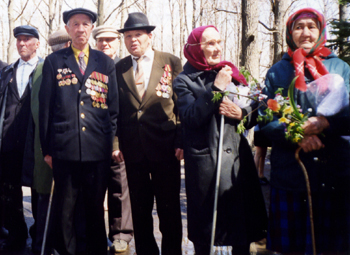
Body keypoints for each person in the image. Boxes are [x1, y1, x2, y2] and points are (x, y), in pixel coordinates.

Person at [261, 8, 350, 255]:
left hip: (332, 175)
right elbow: (265, 119)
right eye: (299, 27)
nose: (306, 33)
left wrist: (324, 124)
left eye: (311, 26)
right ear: (290, 33)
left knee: (331, 248)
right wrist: (297, 133)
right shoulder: (278, 71)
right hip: (291, 173)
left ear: (321, 31)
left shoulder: (340, 68)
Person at [173, 25, 267, 255]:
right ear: (196, 48)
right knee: (206, 230)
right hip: (207, 162)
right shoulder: (184, 80)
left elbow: (256, 109)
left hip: (237, 160)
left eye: (219, 42)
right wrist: (216, 88)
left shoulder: (231, 72)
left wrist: (243, 113)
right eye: (209, 44)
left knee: (241, 229)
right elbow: (190, 117)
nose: (216, 48)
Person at [39, 8, 118, 255]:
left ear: (92, 28)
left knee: (95, 208)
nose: (81, 29)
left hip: (97, 150)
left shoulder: (104, 62)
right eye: (75, 24)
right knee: (65, 210)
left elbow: (113, 108)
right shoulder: (54, 61)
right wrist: (48, 149)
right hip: (65, 149)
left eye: (85, 24)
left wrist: (109, 144)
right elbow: (46, 109)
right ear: (68, 29)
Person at [115, 12, 183, 255]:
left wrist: (180, 140)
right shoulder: (119, 68)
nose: (133, 40)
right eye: (129, 36)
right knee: (140, 211)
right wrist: (115, 143)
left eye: (138, 35)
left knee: (169, 211)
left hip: (166, 148)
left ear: (150, 37)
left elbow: (180, 105)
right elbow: (115, 111)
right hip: (133, 151)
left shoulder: (170, 62)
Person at [21, 28, 71, 255]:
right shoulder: (44, 69)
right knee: (46, 199)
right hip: (50, 147)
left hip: (58, 146)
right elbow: (40, 112)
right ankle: (45, 244)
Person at [0, 25, 42, 251]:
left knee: (37, 192)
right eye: (19, 40)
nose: (22, 44)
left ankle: (38, 240)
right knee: (9, 193)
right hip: (8, 144)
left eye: (27, 40)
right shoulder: (6, 72)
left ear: (37, 43)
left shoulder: (47, 69)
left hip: (34, 145)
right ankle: (16, 237)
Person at [93, 25, 134, 253]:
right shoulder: (91, 67)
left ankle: (120, 236)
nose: (105, 44)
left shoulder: (125, 68)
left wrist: (116, 143)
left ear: (118, 42)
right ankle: (97, 236)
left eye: (110, 40)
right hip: (95, 142)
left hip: (120, 141)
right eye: (101, 41)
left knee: (119, 189)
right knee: (94, 192)